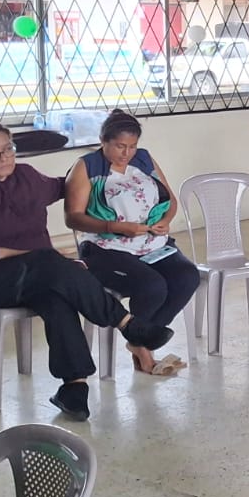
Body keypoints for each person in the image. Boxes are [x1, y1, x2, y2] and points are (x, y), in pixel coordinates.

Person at [0, 120, 174, 422]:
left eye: (9, 149)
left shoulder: (26, 177)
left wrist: (100, 168)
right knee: (50, 264)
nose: (4, 157)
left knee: (57, 296)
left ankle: (74, 388)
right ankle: (126, 322)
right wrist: (37, 257)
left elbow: (68, 186)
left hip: (38, 275)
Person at [63, 109, 199, 377]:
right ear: (103, 141)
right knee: (152, 286)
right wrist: (113, 227)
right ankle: (144, 350)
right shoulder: (87, 167)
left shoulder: (144, 159)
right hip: (105, 249)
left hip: (151, 242)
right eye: (120, 146)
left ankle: (139, 342)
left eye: (132, 146)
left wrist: (166, 220)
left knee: (187, 277)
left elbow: (170, 199)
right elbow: (73, 218)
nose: (127, 153)